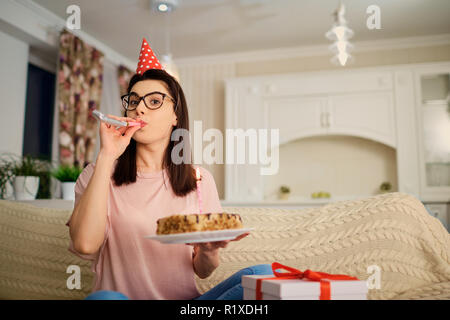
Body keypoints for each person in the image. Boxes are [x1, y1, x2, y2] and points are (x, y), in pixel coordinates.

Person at [66, 39, 273, 300]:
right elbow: (85, 244)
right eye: (133, 101)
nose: (139, 107)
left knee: (266, 273)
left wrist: (208, 251)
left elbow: (203, 271)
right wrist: (108, 155)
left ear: (175, 115)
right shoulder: (97, 173)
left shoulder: (199, 180)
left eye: (154, 101)